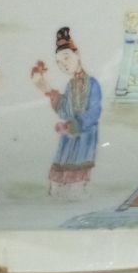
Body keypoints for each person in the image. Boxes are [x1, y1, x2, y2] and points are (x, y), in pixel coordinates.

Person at [31, 27, 102, 200]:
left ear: (77, 55)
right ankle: (59, 190)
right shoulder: (70, 85)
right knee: (62, 170)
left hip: (84, 136)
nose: (64, 64)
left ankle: (76, 190)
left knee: (77, 169)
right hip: (69, 136)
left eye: (66, 58)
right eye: (59, 62)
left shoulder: (92, 83)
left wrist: (76, 124)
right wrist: (45, 87)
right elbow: (65, 110)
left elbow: (94, 112)